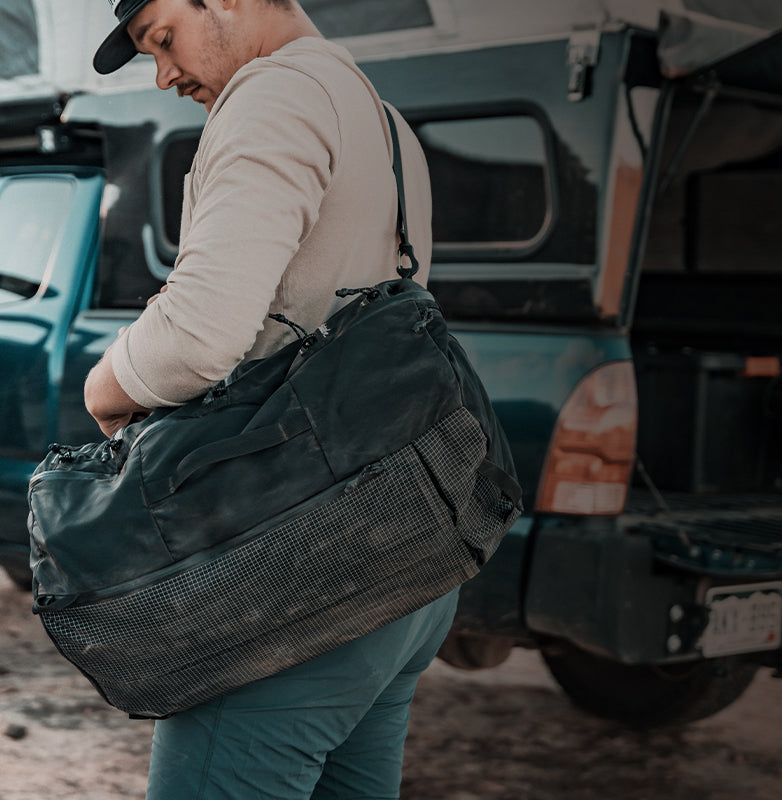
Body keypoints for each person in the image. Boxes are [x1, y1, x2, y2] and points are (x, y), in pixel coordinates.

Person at [85, 1, 457, 798]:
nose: (164, 74)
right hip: (406, 556)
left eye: (162, 39)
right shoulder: (383, 119)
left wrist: (105, 383)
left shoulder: (273, 97)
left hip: (293, 575)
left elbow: (198, 336)